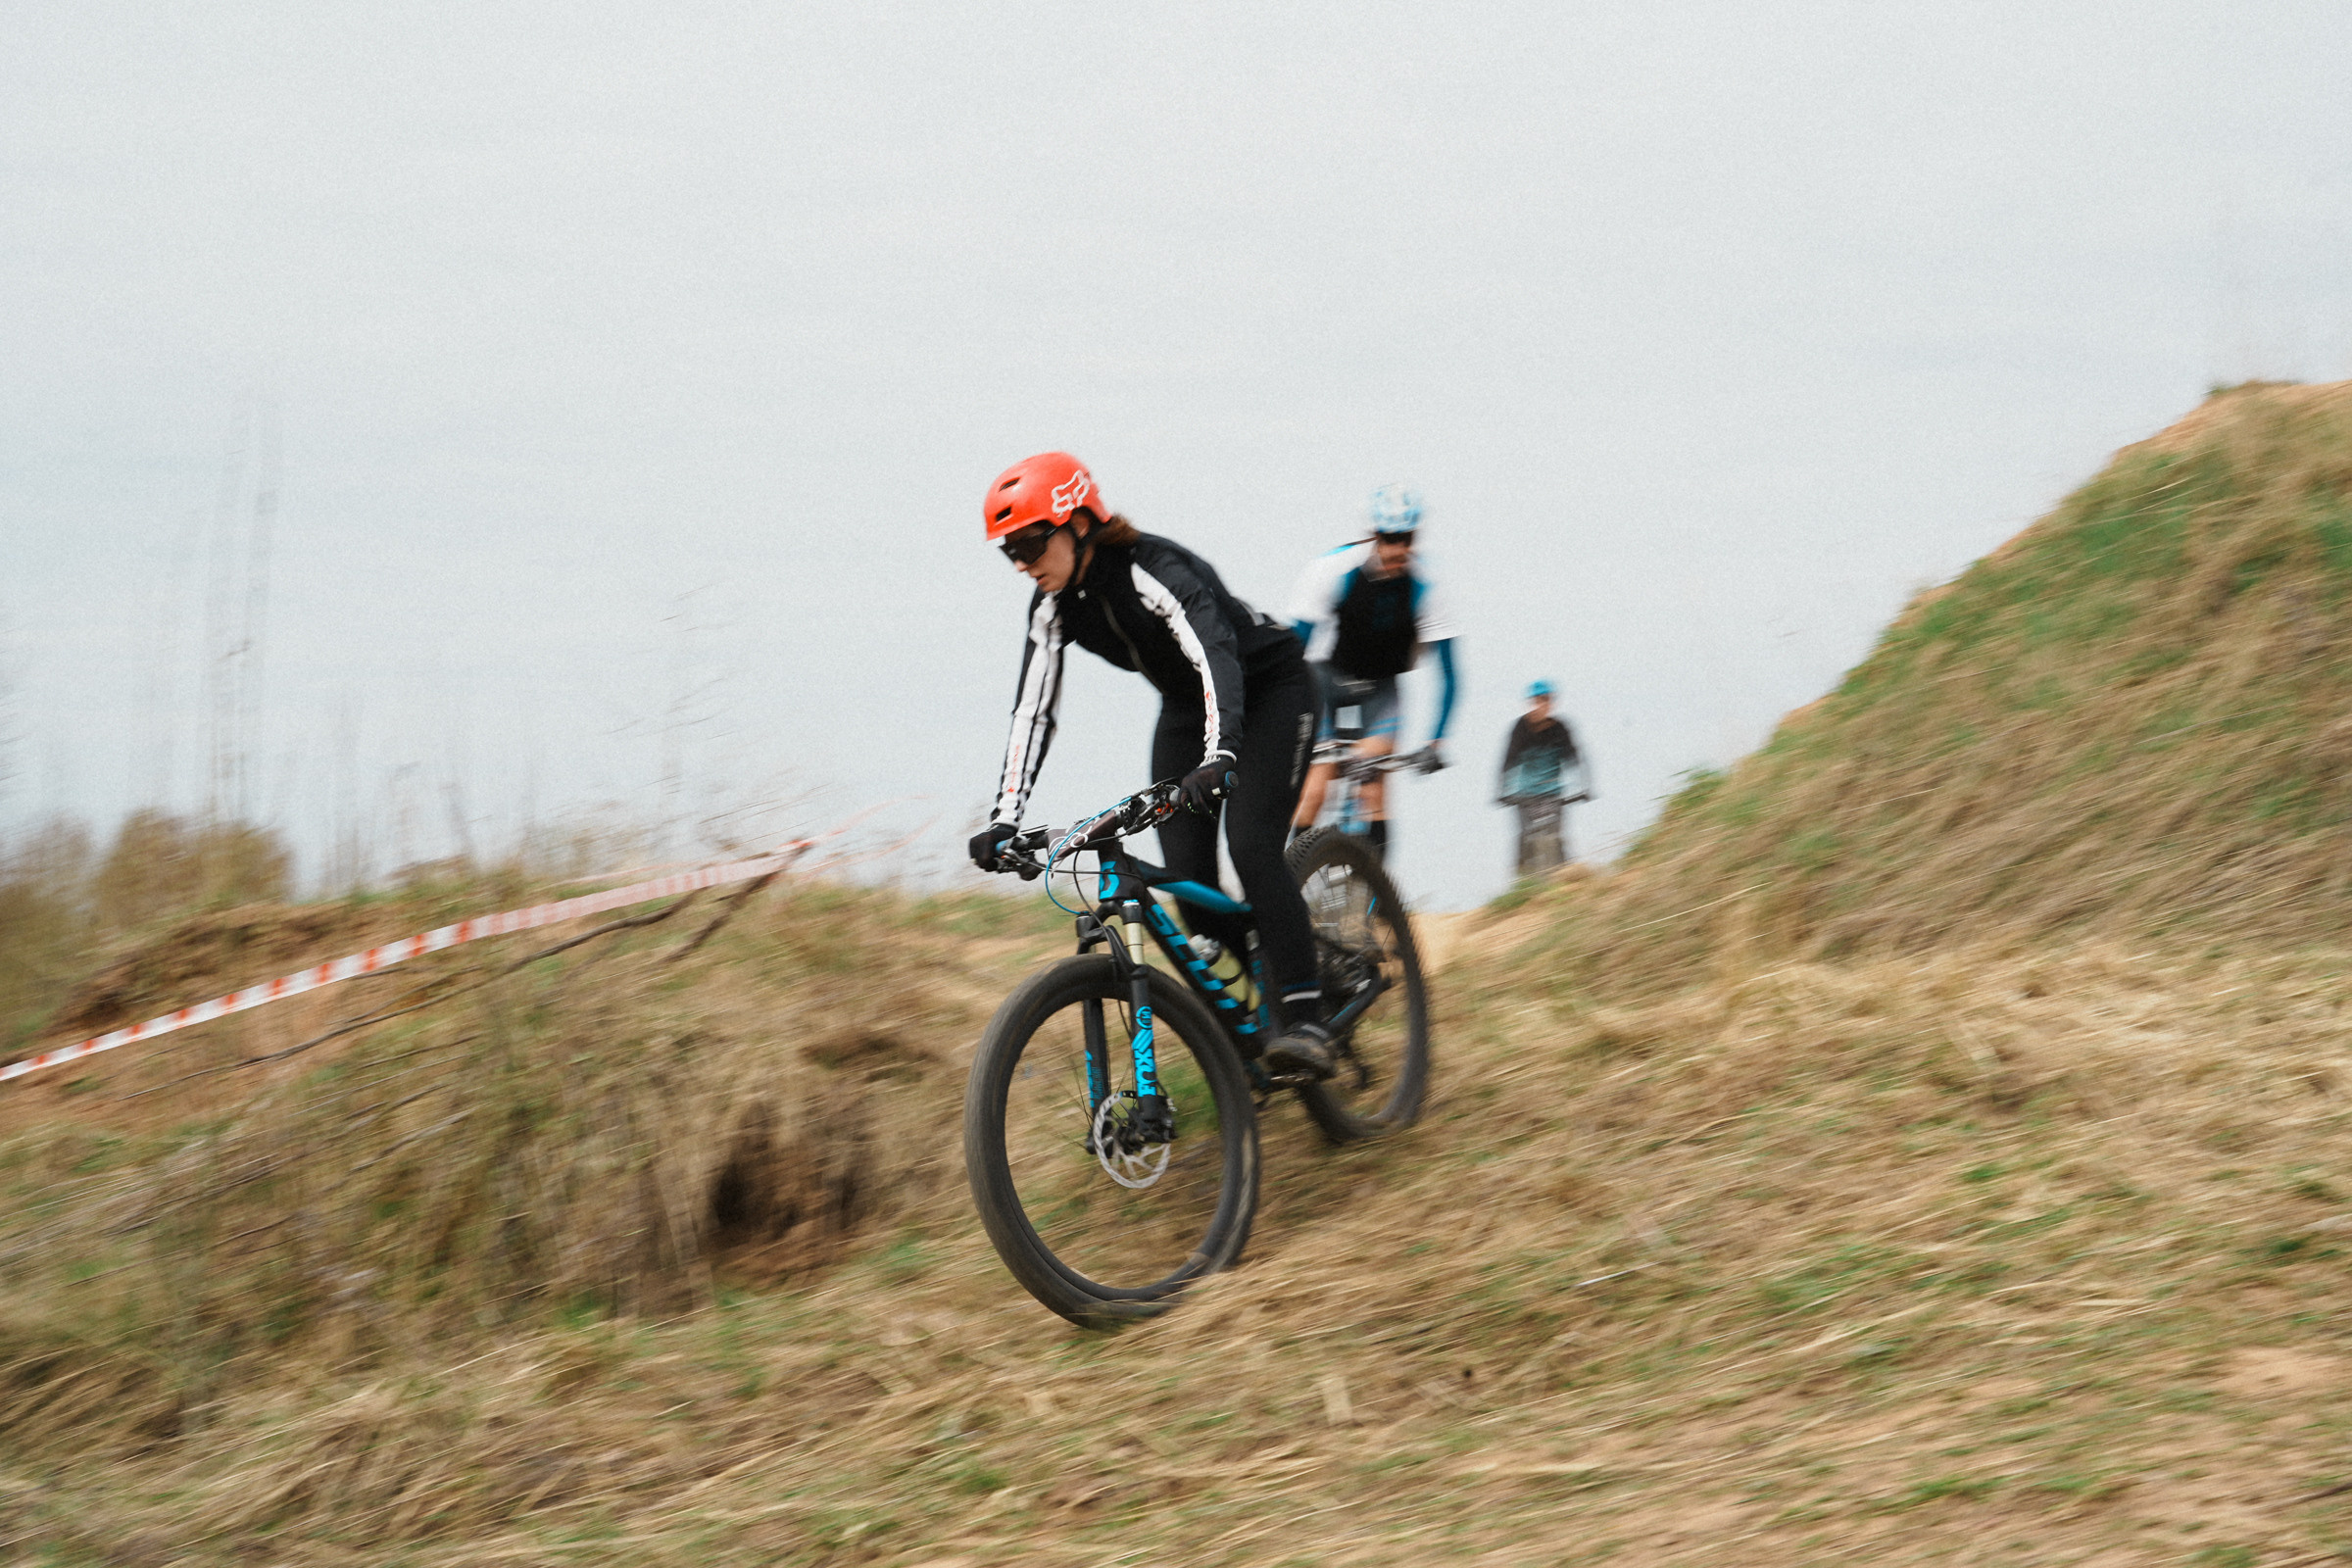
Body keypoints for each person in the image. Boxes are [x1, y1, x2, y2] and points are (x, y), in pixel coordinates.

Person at [969, 452, 1344, 1079]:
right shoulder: (1051, 607)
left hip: (1270, 687)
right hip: (1186, 707)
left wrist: (1222, 754)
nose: (1023, 563)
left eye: (1032, 542)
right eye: (1009, 552)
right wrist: (1006, 818)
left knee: (1251, 846)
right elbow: (1032, 711)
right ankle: (1254, 1024)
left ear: (1079, 522)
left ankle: (1306, 1018)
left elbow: (1214, 651)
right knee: (1188, 882)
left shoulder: (1151, 568)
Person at [1283, 483, 1461, 861]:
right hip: (1323, 679)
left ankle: (1377, 905)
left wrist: (1436, 742)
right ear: (1373, 534)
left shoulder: (1429, 583)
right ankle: (1290, 883)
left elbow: (1449, 674)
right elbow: (1292, 653)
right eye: (1389, 538)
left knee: (1373, 786)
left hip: (1381, 686)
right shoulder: (1331, 570)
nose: (1398, 549)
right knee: (1317, 786)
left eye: (1407, 538)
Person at [1496, 679, 1588, 877]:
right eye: (1537, 701)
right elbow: (1507, 761)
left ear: (1551, 703)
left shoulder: (1561, 728)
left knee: (1556, 836)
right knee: (1526, 835)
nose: (1540, 705)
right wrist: (1501, 791)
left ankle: (1566, 878)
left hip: (1552, 793)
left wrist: (1583, 788)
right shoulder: (1520, 728)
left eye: (1545, 701)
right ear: (1530, 702)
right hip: (1525, 795)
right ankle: (1521, 879)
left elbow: (1576, 759)